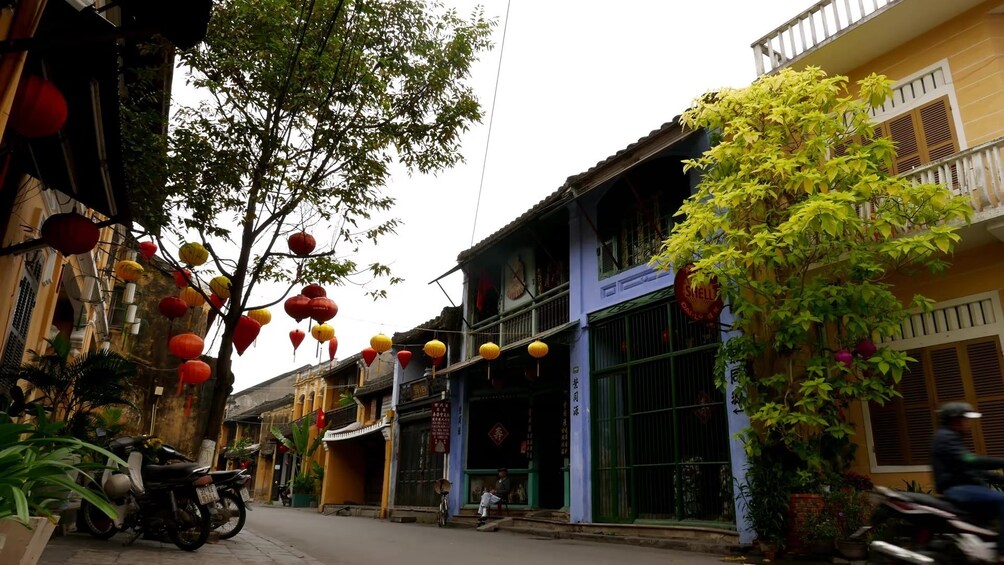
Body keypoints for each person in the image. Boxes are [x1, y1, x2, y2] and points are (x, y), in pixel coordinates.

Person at [931, 401, 1004, 562]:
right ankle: (1002, 554)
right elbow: (969, 460)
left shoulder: (952, 437)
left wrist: (999, 478)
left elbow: (972, 469)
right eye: (966, 420)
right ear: (955, 420)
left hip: (964, 485)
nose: (968, 424)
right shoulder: (945, 437)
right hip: (957, 488)